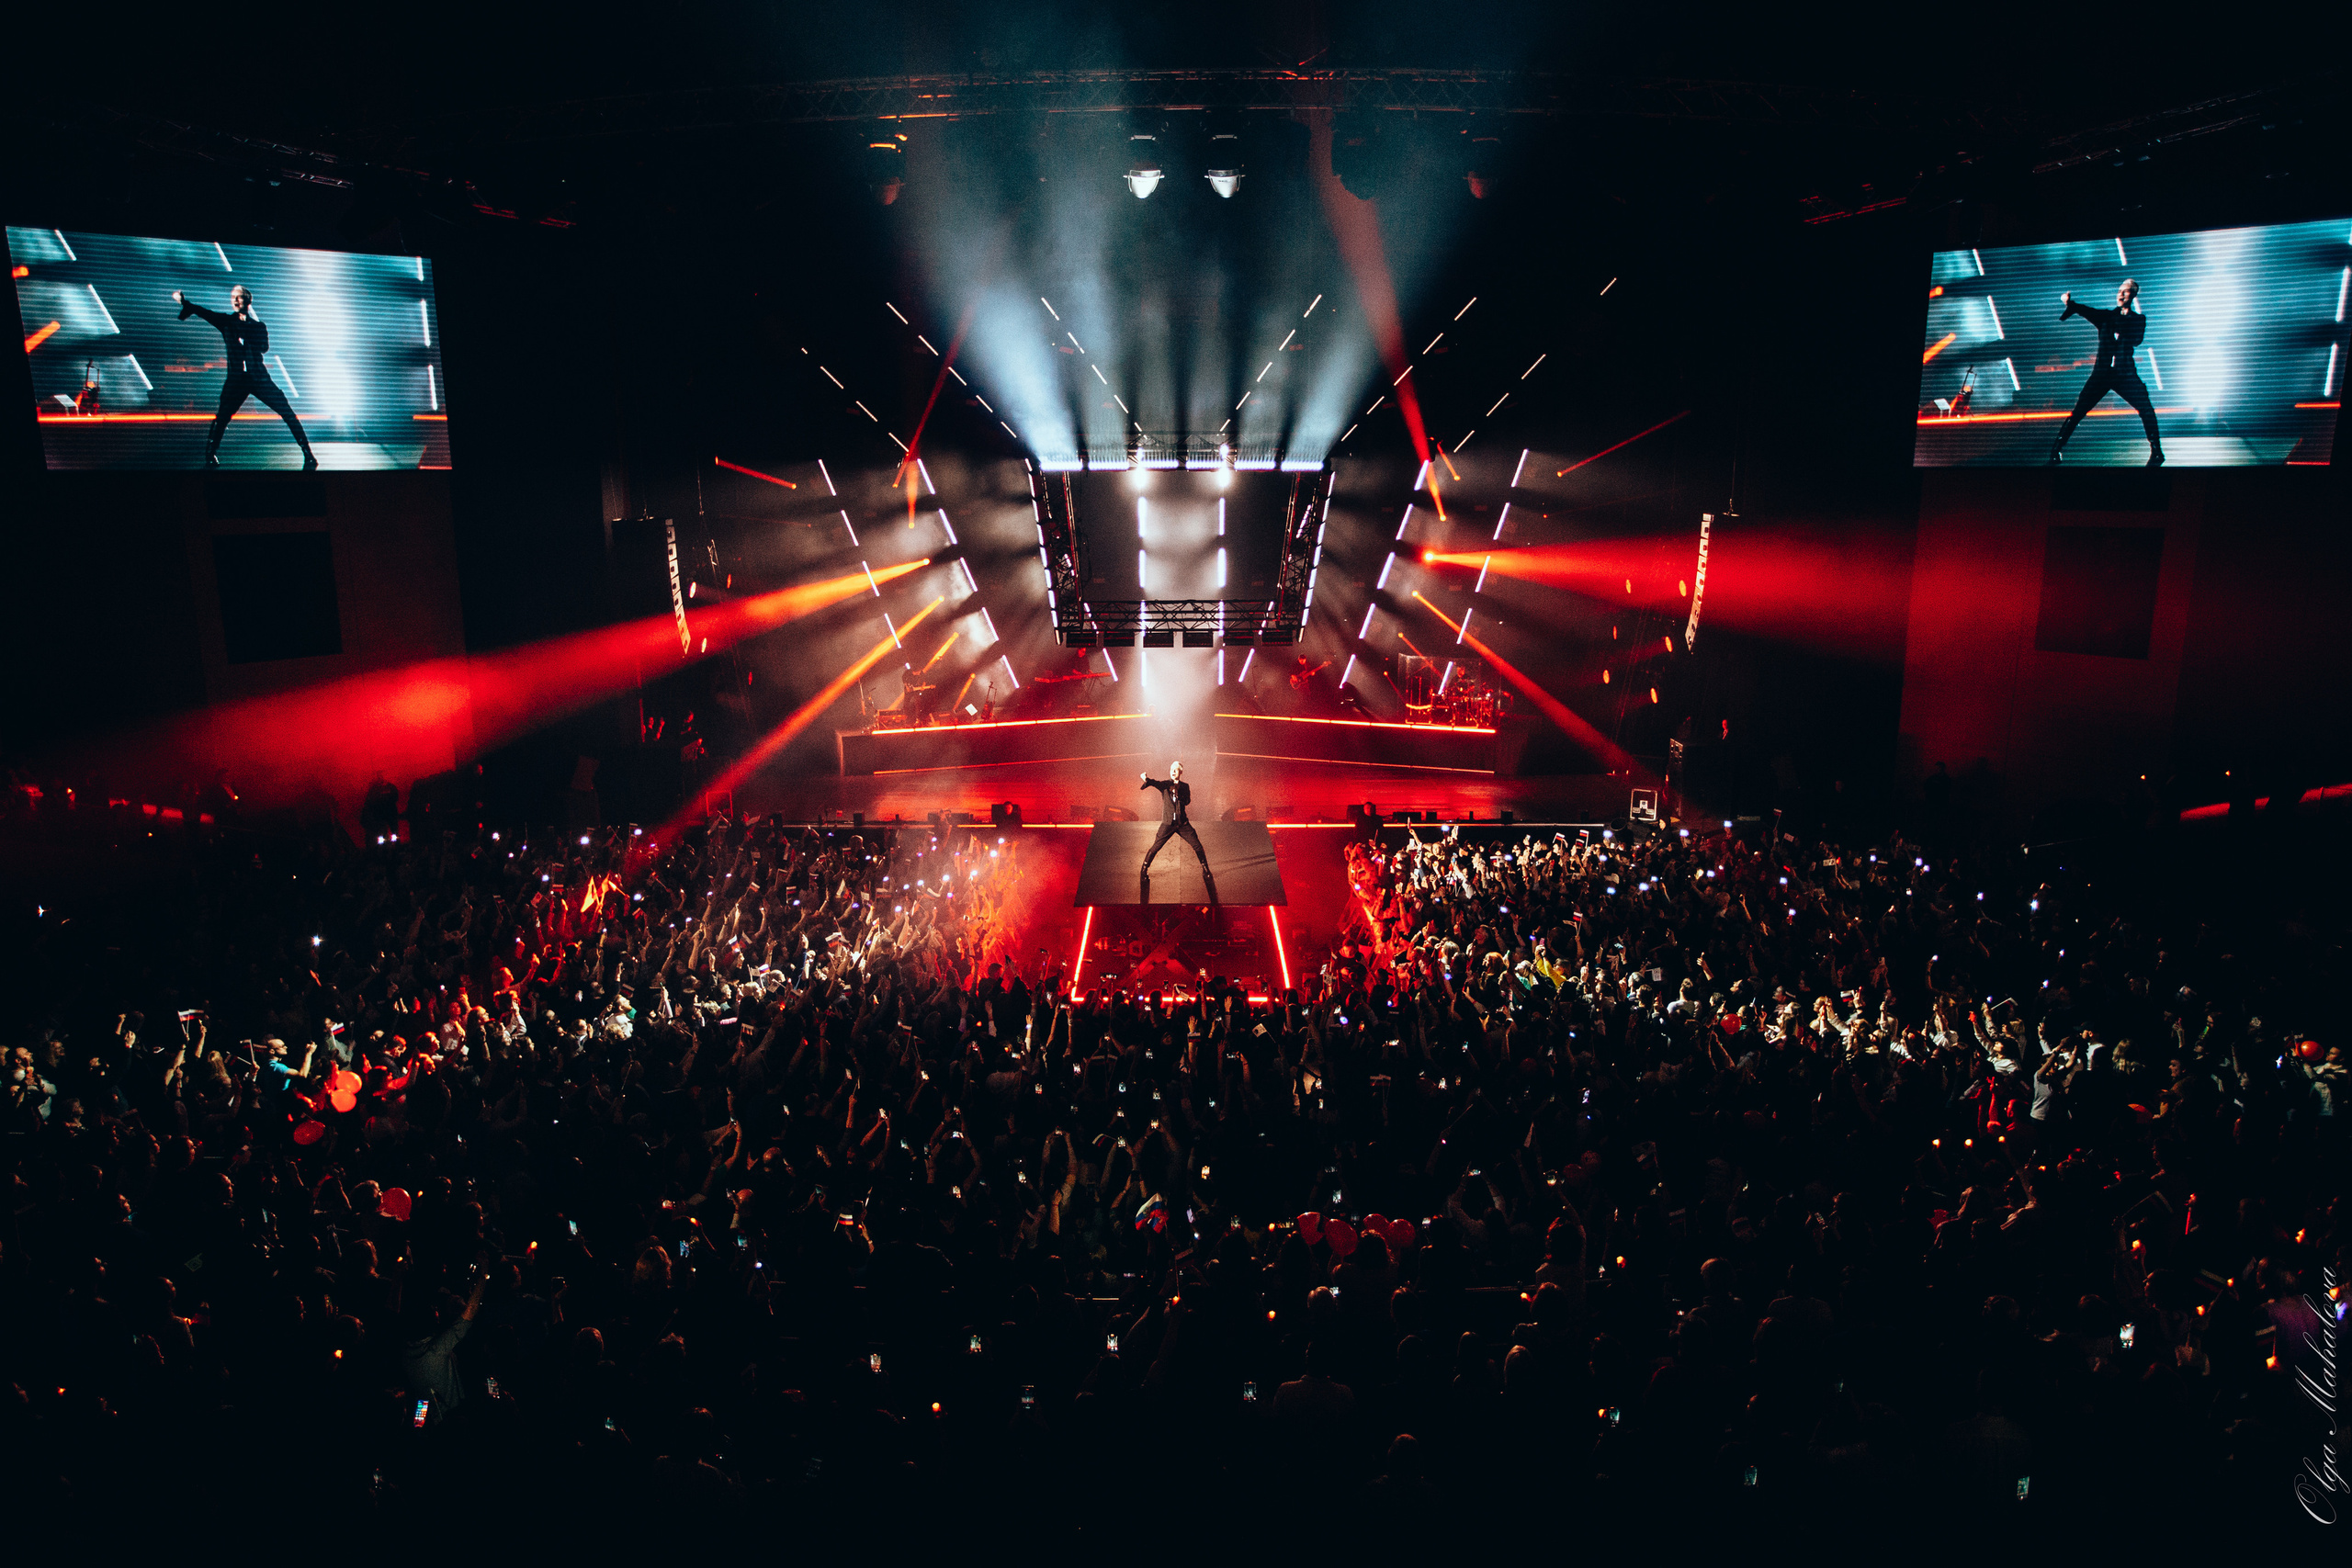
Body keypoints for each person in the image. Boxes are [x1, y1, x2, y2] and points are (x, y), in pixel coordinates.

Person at [172, 284, 317, 469]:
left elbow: (264, 347)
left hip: (259, 378)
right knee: (222, 417)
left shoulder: (258, 327)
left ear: (248, 301)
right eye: (233, 297)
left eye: (239, 297)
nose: (235, 300)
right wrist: (185, 303)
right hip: (236, 380)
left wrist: (245, 327)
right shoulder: (226, 322)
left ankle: (308, 453)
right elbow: (204, 312)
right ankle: (210, 455)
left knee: (286, 411)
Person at [2050, 278, 2164, 467]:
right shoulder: (2106, 317)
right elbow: (2086, 311)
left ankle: (2157, 452)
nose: (2121, 294)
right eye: (2119, 291)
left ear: (2133, 295)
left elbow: (2136, 340)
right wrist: (2069, 304)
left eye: (2126, 291)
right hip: (2102, 373)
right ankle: (2055, 451)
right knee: (2078, 411)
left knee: (2146, 409)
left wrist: (2123, 317)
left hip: (2125, 374)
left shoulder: (2138, 320)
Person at [1137, 760, 1209, 882]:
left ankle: (1205, 869)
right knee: (1156, 846)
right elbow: (1154, 783)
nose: (1173, 772)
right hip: (1168, 823)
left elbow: (1187, 801)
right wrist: (1146, 779)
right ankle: (1144, 869)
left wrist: (1179, 794)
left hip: (1182, 824)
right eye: (1171, 770)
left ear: (1180, 772)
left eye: (1175, 770)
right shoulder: (1165, 785)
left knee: (1197, 845)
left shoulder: (1185, 786)